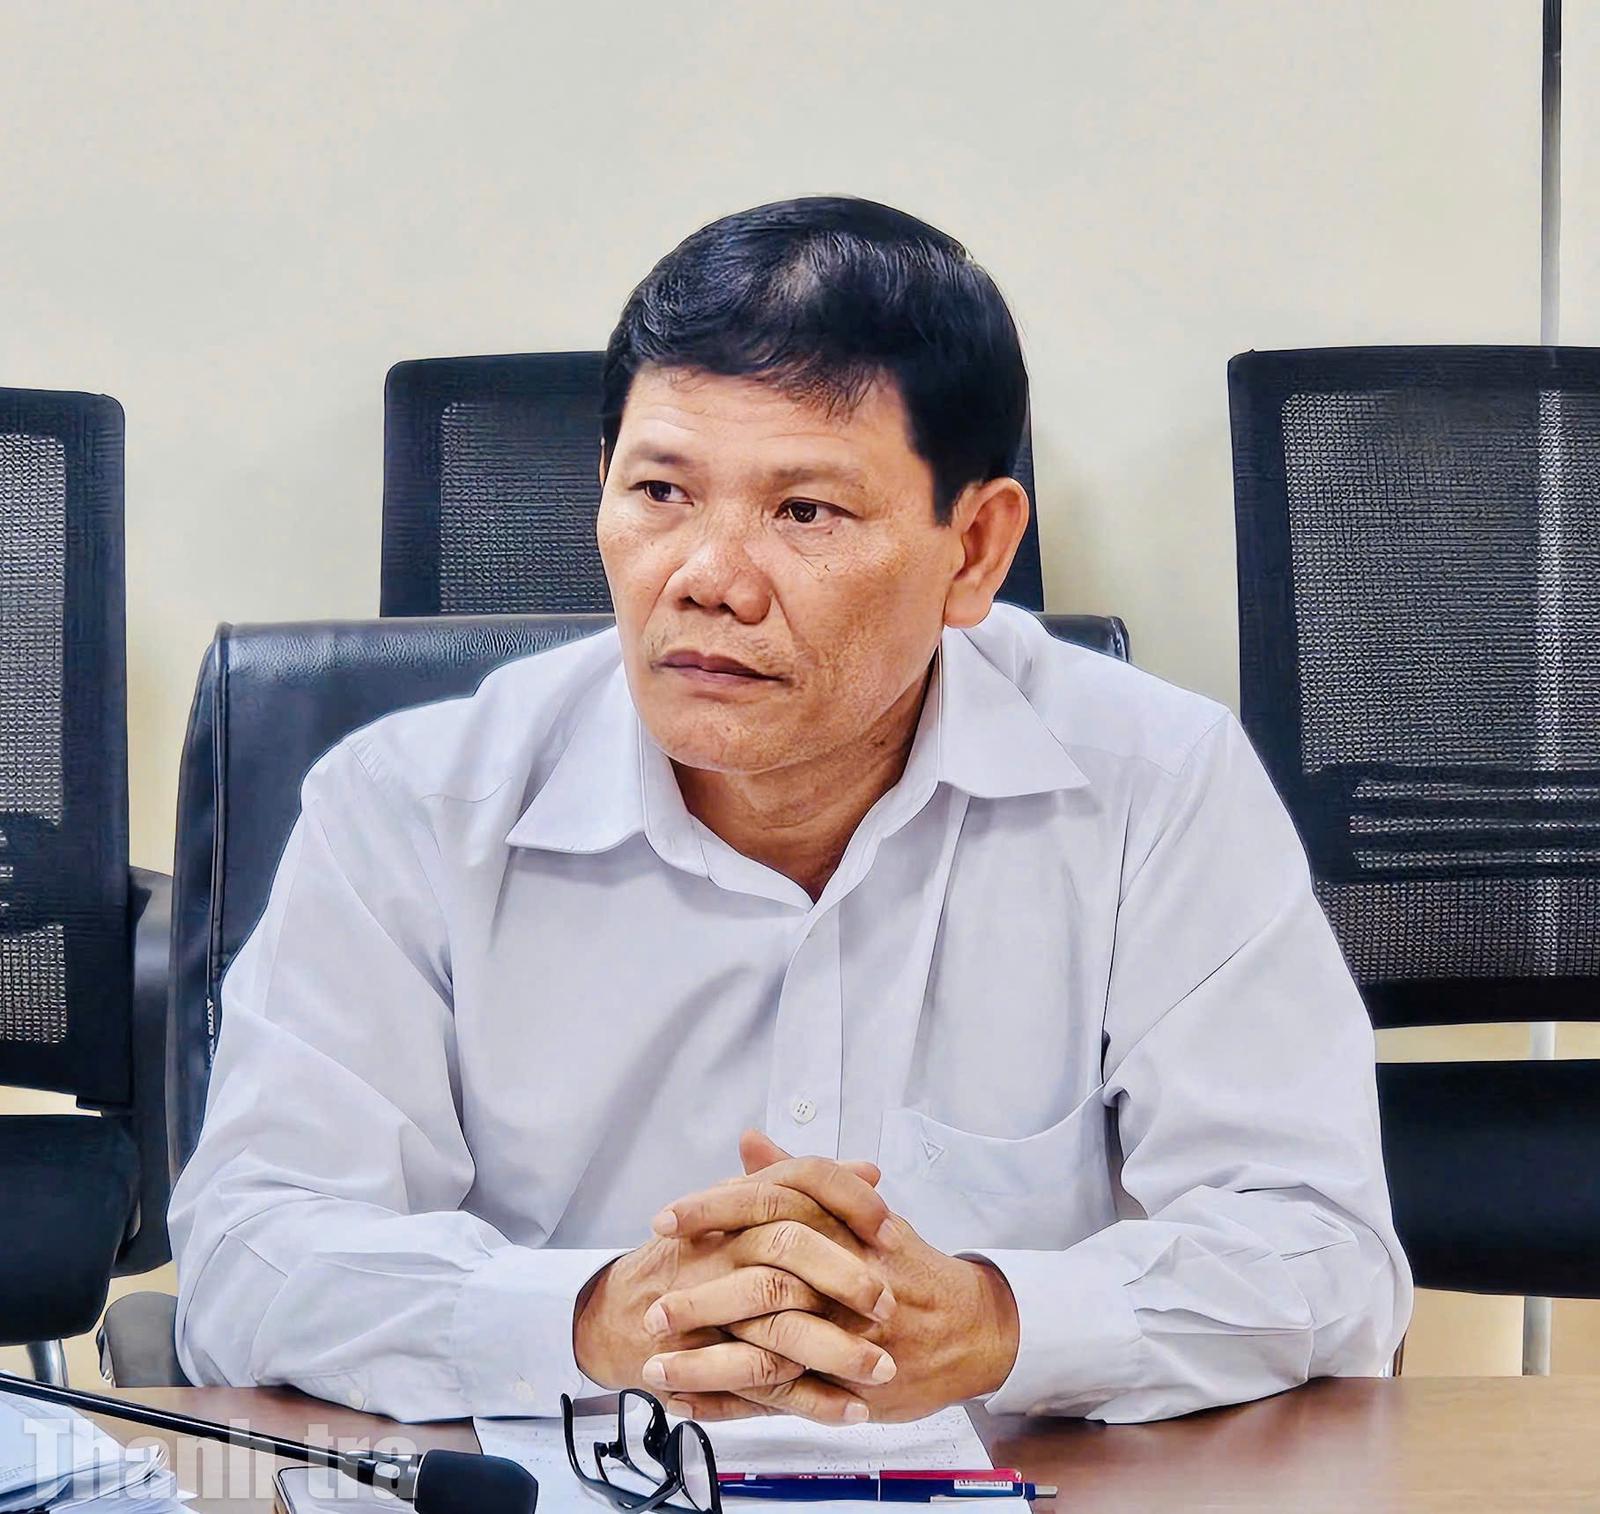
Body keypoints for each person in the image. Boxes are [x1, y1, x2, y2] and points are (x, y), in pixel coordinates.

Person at [168, 196, 1411, 1428]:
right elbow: (249, 1255)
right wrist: (594, 1317)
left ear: (975, 548)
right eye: (661, 491)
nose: (707, 579)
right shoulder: (409, 809)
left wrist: (996, 1322)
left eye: (805, 510)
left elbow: (1320, 1248)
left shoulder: (1154, 784)